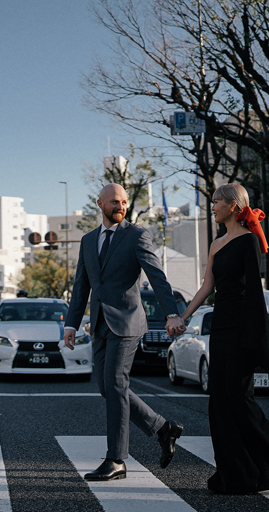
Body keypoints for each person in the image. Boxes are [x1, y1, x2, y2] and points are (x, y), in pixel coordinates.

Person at [175, 183, 269, 494]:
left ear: (232, 206)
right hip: (220, 329)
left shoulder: (248, 242)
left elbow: (255, 295)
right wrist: (182, 318)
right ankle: (234, 474)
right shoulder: (217, 245)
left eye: (216, 202)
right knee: (219, 401)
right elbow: (206, 288)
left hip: (243, 329)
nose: (212, 206)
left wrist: (255, 339)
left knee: (240, 400)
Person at [64, 183, 186, 482]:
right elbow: (82, 285)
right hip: (101, 324)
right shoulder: (88, 240)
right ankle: (162, 428)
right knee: (107, 388)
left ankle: (116, 459)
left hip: (128, 322)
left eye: (124, 202)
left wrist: (172, 313)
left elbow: (156, 276)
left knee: (116, 385)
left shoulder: (137, 236)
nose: (120, 206)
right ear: (100, 203)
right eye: (114, 202)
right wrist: (71, 322)